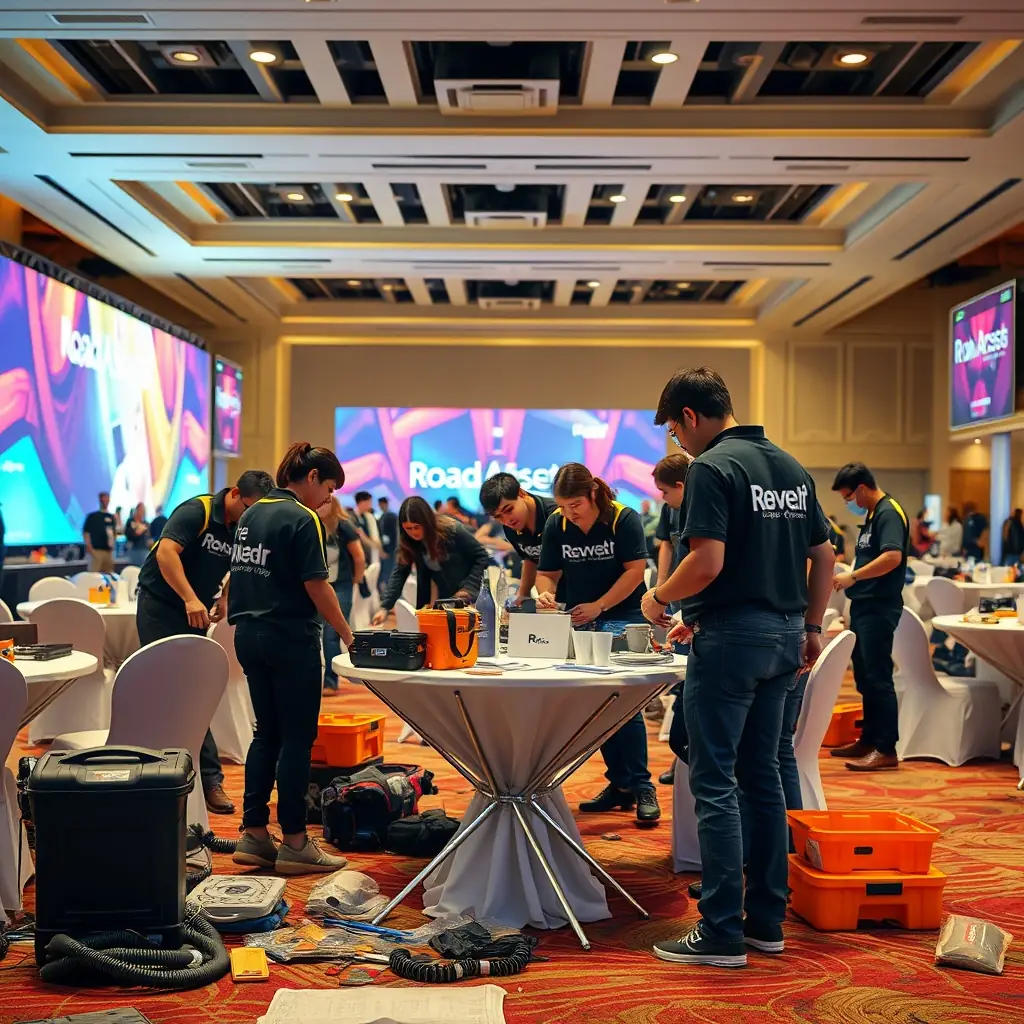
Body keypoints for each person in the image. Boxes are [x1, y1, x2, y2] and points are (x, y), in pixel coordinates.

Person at [643, 367, 834, 969]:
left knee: (717, 783)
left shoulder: (711, 468)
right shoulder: (789, 466)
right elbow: (824, 557)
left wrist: (659, 598)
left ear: (691, 418)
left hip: (731, 643)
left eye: (676, 431)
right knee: (764, 780)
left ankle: (722, 930)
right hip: (782, 639)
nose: (679, 443)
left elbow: (706, 562)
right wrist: (809, 627)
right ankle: (766, 924)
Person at [229, 443, 354, 875]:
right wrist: (346, 632)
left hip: (248, 636)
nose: (329, 498)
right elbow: (318, 586)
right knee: (297, 740)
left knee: (266, 734)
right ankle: (297, 842)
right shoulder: (303, 518)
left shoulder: (252, 513)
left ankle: (254, 833)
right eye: (330, 486)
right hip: (290, 638)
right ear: (314, 476)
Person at [136, 469, 274, 815]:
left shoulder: (246, 522)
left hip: (193, 609)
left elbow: (239, 564)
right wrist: (189, 597)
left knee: (194, 691)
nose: (252, 516)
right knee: (169, 688)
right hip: (160, 604)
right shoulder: (197, 510)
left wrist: (225, 596)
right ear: (234, 494)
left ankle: (208, 779)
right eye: (249, 508)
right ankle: (163, 772)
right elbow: (166, 553)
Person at [537, 463, 660, 827]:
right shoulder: (556, 523)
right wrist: (543, 592)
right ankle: (619, 784)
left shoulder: (623, 518)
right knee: (597, 702)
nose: (569, 512)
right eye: (562, 505)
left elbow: (635, 571)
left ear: (592, 494)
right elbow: (548, 572)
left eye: (575, 504)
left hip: (624, 613)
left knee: (625, 702)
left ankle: (642, 786)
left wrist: (600, 605)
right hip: (580, 618)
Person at [831, 463, 909, 773]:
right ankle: (869, 739)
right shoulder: (874, 514)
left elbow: (892, 557)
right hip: (865, 606)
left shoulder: (889, 512)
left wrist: (853, 576)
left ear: (862, 488)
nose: (848, 502)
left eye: (849, 496)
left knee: (878, 677)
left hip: (879, 606)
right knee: (864, 677)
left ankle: (886, 748)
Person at [373, 497, 490, 619]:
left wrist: (469, 588)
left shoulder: (452, 529)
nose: (413, 532)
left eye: (416, 527)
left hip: (467, 597)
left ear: (426, 522)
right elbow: (400, 573)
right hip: (440, 599)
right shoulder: (409, 542)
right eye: (408, 528)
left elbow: (482, 556)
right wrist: (385, 607)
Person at [652, 453, 690, 786]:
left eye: (665, 492)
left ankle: (686, 757)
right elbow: (666, 545)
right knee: (681, 680)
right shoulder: (672, 508)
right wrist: (661, 588)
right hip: (676, 595)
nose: (662, 499)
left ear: (681, 485)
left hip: (697, 603)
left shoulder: (704, 506)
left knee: (690, 682)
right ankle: (682, 758)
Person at [479, 472, 562, 605]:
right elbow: (530, 558)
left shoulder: (556, 516)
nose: (507, 520)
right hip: (552, 596)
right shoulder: (510, 527)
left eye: (509, 509)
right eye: (499, 517)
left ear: (521, 493)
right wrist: (522, 595)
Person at [321, 497, 367, 695]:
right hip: (318, 586)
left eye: (325, 502)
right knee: (318, 635)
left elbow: (359, 557)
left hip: (341, 585)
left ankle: (331, 681)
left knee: (331, 635)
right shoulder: (309, 523)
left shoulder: (343, 526)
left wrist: (356, 580)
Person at [83, 491, 117, 572]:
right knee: (94, 575)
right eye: (103, 499)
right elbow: (86, 532)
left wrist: (113, 546)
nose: (105, 501)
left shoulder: (111, 517)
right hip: (96, 551)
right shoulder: (92, 517)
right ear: (100, 500)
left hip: (108, 551)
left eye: (107, 499)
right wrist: (89, 547)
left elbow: (113, 533)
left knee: (109, 575)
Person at [352, 491, 382, 567]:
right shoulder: (351, 517)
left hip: (367, 555)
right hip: (356, 556)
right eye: (369, 502)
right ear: (362, 502)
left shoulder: (367, 517)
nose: (371, 505)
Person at [377, 497, 398, 593]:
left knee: (388, 573)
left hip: (389, 550)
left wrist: (387, 551)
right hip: (387, 550)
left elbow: (393, 535)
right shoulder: (383, 516)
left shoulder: (390, 516)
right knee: (386, 573)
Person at [124, 502, 152, 567]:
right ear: (137, 510)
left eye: (143, 510)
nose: (142, 512)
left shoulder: (145, 523)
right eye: (141, 509)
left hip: (144, 549)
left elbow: (148, 536)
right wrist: (136, 533)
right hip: (134, 549)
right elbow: (128, 535)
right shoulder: (130, 521)